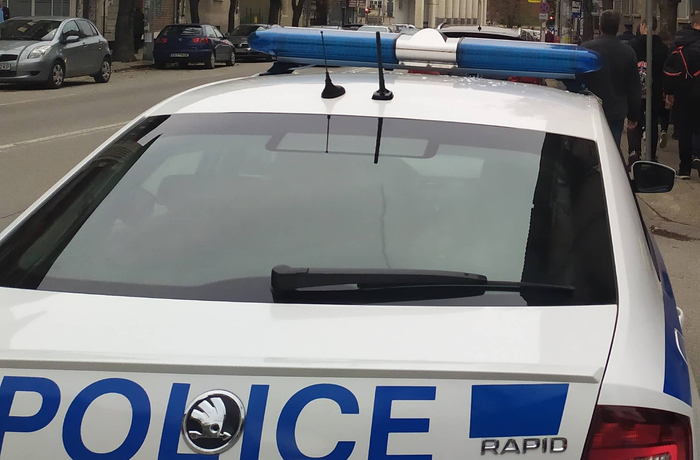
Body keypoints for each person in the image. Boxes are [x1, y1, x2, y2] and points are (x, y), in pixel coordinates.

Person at [581, 10, 641, 148]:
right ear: (618, 27)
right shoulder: (627, 52)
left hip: (589, 108)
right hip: (616, 111)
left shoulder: (587, 49)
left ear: (600, 26)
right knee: (612, 147)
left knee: (589, 147)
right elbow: (633, 86)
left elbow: (578, 78)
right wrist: (633, 114)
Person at [626, 16, 668, 163]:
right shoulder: (662, 48)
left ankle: (634, 150)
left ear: (643, 26)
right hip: (654, 90)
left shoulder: (632, 45)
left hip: (635, 90)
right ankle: (651, 153)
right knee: (652, 121)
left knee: (634, 119)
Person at [664, 11, 700, 178]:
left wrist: (669, 92)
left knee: (684, 130)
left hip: (683, 91)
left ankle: (684, 168)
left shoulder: (679, 42)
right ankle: (698, 157)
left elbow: (669, 69)